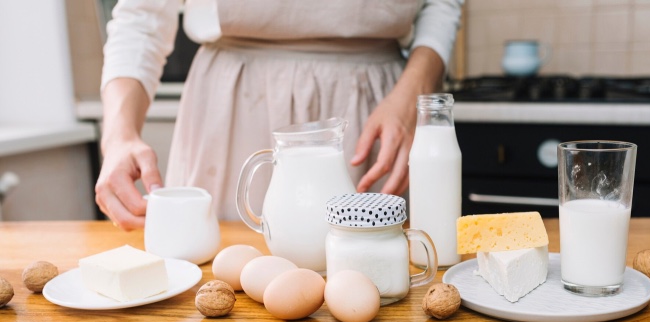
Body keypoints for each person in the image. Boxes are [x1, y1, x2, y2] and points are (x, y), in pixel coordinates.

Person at [96, 0, 464, 230]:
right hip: (233, 105)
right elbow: (141, 20)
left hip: (375, 110)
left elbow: (442, 4)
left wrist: (413, 92)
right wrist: (119, 135)